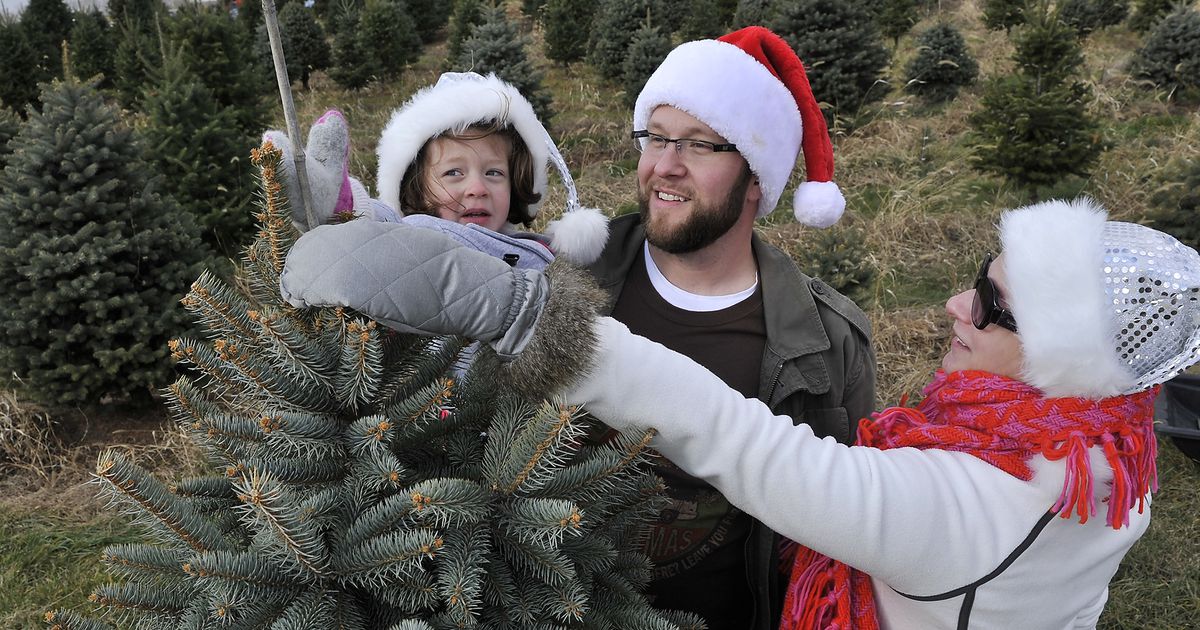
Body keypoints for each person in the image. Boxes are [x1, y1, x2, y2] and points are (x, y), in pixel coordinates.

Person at [280, 197, 1200, 629]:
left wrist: (528, 317)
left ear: (1068, 363)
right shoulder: (1109, 461)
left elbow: (743, 442)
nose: (957, 309)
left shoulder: (971, 510)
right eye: (974, 286)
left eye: (996, 308)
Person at [577, 26, 875, 628]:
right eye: (654, 138)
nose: (664, 166)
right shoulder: (566, 282)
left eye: (697, 146)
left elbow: (845, 536)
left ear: (757, 177)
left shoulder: (829, 344)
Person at [264, 71, 609, 270]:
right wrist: (336, 206)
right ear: (417, 187)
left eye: (494, 173)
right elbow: (374, 223)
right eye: (453, 173)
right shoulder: (412, 235)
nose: (477, 188)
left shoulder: (537, 251)